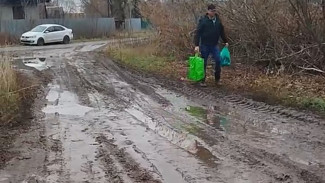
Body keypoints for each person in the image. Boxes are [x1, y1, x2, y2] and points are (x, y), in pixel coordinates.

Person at [194, 4, 229, 87]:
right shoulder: (203, 21)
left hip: (214, 45)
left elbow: (222, 32)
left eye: (214, 11)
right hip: (205, 45)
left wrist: (225, 41)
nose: (213, 12)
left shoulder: (218, 21)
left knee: (218, 60)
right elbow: (198, 33)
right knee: (204, 62)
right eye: (212, 11)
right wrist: (196, 45)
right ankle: (202, 80)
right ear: (208, 11)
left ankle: (217, 79)